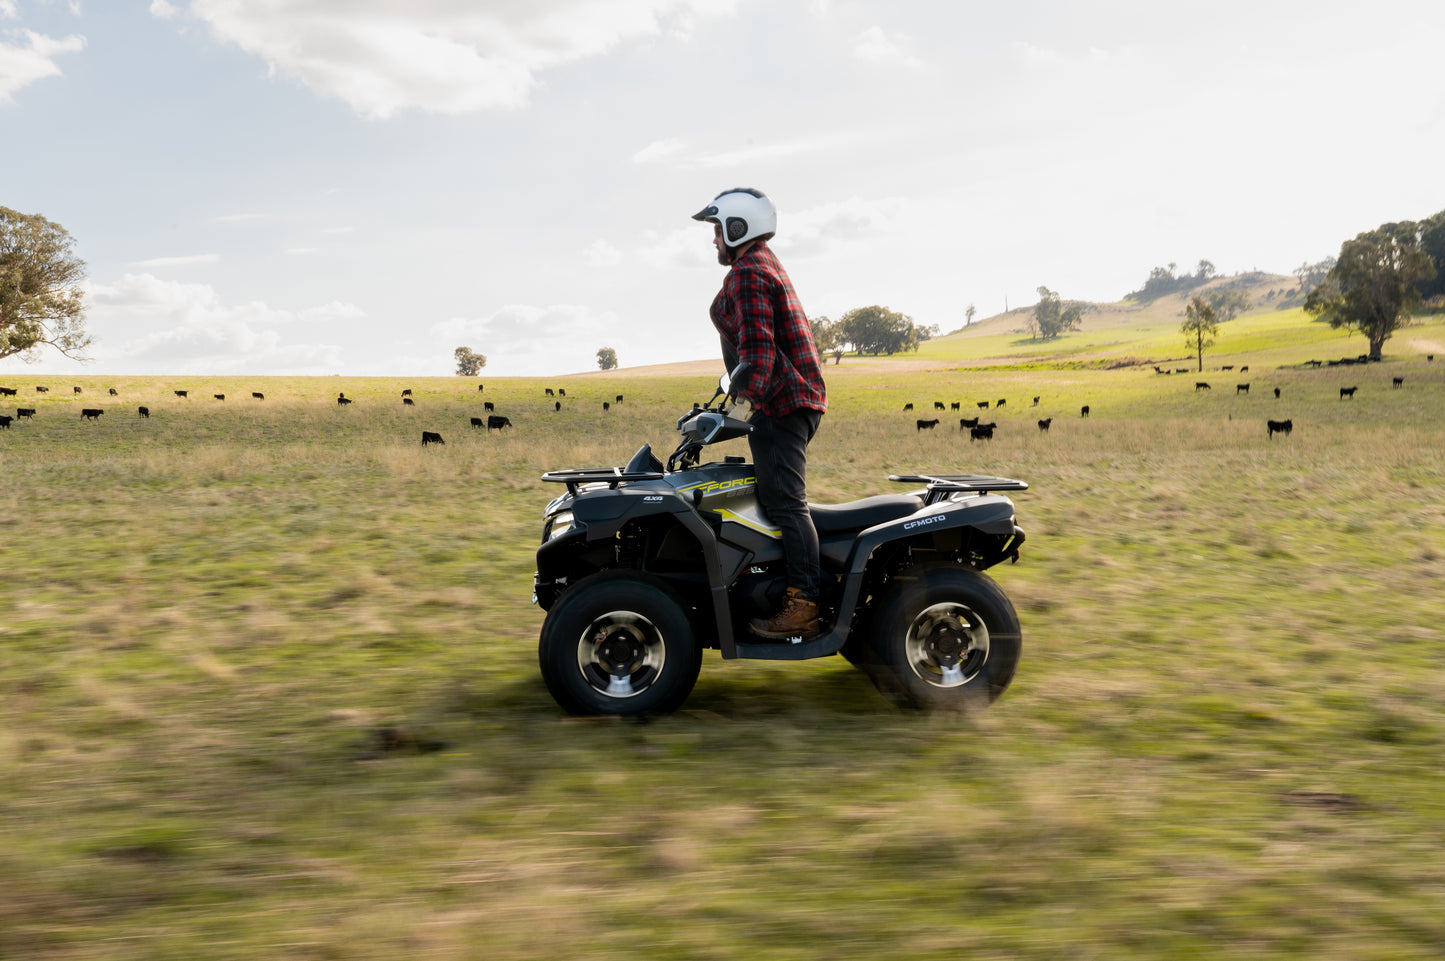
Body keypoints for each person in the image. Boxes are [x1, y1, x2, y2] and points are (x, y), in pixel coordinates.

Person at [692, 187, 828, 640]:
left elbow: (759, 354)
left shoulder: (749, 272)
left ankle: (804, 603)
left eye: (717, 229)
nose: (714, 240)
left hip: (783, 403)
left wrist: (734, 405)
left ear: (737, 227)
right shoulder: (760, 265)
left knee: (786, 501)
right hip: (787, 399)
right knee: (773, 497)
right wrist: (727, 399)